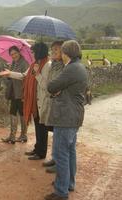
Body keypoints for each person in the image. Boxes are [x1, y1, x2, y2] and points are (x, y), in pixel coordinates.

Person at [44, 40, 88, 200]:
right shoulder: (79, 67)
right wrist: (60, 90)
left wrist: (57, 90)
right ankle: (68, 183)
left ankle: (61, 191)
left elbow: (51, 86)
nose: (60, 55)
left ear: (66, 53)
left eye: (61, 52)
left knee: (60, 153)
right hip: (74, 115)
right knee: (70, 152)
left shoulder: (71, 69)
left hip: (66, 117)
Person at [0, 42, 52, 160]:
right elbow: (24, 75)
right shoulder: (34, 64)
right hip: (34, 100)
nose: (32, 54)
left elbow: (46, 85)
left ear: (38, 52)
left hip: (41, 101)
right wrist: (10, 73)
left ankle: (41, 152)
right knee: (38, 126)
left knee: (42, 128)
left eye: (33, 52)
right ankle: (37, 149)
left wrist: (37, 73)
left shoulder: (47, 65)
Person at [42, 41, 65, 173]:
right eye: (52, 50)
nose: (53, 52)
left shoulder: (65, 67)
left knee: (60, 135)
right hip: (52, 102)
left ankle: (59, 163)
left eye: (56, 49)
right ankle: (55, 158)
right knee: (55, 134)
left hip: (59, 104)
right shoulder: (52, 65)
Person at [1, 46, 29, 144]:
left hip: (21, 92)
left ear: (19, 52)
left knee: (22, 113)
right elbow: (11, 76)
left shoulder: (24, 63)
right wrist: (7, 75)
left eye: (15, 53)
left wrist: (10, 73)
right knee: (13, 112)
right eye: (11, 54)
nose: (13, 56)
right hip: (13, 92)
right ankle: (12, 136)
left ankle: (23, 135)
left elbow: (24, 77)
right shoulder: (13, 63)